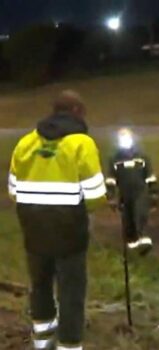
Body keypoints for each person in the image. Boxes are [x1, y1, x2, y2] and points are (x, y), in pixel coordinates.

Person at [8, 90, 106, 350]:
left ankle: (42, 338)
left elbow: (13, 190)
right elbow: (96, 196)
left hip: (32, 226)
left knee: (39, 282)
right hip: (69, 229)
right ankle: (69, 344)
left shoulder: (25, 142)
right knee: (71, 288)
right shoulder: (81, 144)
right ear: (76, 112)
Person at [105, 128, 157, 255]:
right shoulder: (115, 159)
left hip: (140, 192)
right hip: (124, 193)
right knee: (127, 218)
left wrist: (153, 193)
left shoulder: (142, 158)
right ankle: (132, 245)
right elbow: (111, 179)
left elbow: (150, 176)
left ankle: (143, 240)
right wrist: (111, 197)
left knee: (140, 214)